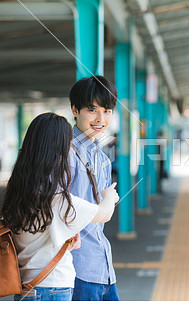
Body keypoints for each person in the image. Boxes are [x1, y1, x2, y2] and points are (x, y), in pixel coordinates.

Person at [0, 112, 119, 301]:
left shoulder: (18, 189)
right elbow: (104, 214)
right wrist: (109, 195)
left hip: (27, 287)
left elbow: (38, 237)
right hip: (52, 288)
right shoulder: (54, 196)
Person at [68, 76, 120, 301]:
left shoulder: (103, 160)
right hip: (77, 271)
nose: (101, 119)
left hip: (103, 267)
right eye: (92, 110)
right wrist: (108, 201)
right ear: (75, 110)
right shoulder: (64, 153)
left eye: (107, 111)